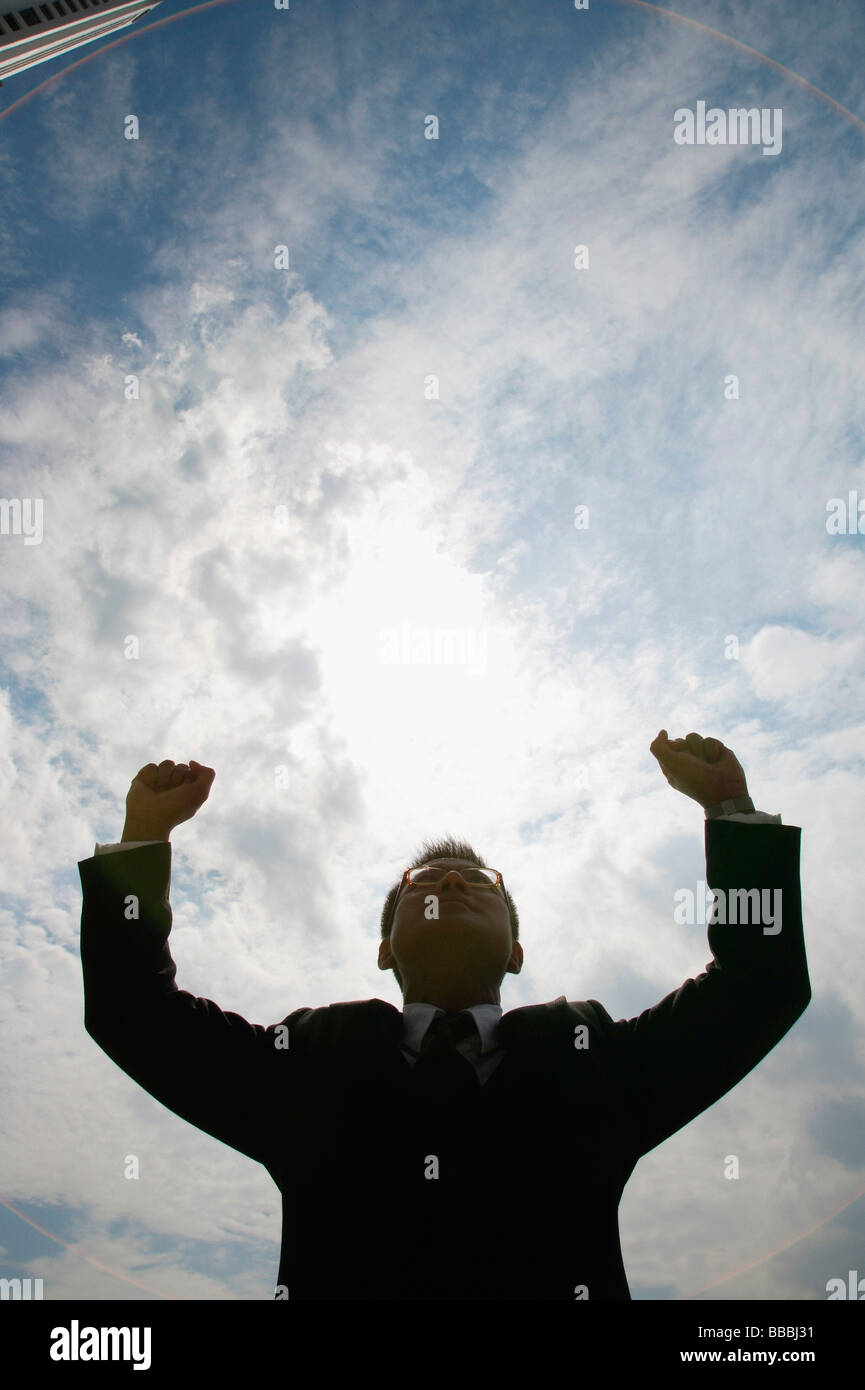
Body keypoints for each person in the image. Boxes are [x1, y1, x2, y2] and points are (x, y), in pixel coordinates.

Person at [78, 729, 809, 1300]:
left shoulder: (590, 1058)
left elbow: (756, 987)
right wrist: (143, 838)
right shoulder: (308, 1061)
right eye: (422, 881)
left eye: (478, 882)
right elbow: (134, 1011)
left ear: (516, 951)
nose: (452, 882)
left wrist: (729, 810)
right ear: (384, 950)